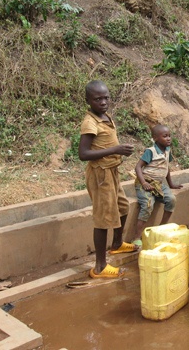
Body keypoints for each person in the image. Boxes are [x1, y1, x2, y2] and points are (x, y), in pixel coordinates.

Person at [79, 80, 139, 279]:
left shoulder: (104, 116)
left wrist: (119, 153)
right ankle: (100, 267)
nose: (103, 102)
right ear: (88, 101)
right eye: (98, 99)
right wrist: (116, 150)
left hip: (112, 172)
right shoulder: (90, 123)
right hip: (100, 175)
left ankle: (117, 244)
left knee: (123, 207)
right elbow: (83, 153)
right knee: (103, 219)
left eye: (106, 98)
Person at [133, 124, 183, 243]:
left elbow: (166, 167)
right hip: (145, 182)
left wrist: (171, 184)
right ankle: (136, 237)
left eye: (169, 136)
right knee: (148, 204)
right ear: (155, 138)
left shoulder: (167, 150)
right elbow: (138, 167)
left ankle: (161, 228)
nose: (168, 138)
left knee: (171, 200)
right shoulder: (151, 151)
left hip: (159, 184)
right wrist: (144, 182)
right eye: (165, 136)